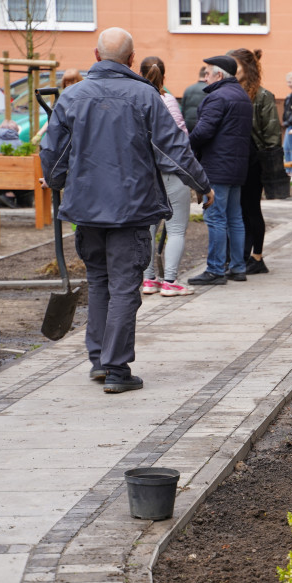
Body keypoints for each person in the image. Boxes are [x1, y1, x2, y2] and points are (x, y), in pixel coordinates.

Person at [39, 27, 212, 394]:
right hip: (129, 210)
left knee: (100, 281)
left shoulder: (72, 97)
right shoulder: (146, 97)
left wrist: (56, 182)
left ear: (97, 56)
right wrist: (202, 184)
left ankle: (100, 360)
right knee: (123, 287)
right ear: (132, 59)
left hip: (86, 210)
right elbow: (174, 149)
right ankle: (116, 368)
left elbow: (53, 155)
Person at [187, 55, 253, 286]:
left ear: (219, 75)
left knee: (215, 217)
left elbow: (204, 131)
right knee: (235, 218)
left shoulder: (217, 97)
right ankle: (238, 267)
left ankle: (215, 269)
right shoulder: (242, 96)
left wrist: (187, 143)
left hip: (217, 167)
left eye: (207, 73)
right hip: (236, 167)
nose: (204, 78)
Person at [138, 56, 194, 297]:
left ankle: (148, 280)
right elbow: (181, 138)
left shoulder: (135, 99)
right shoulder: (168, 100)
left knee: (149, 227)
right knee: (176, 228)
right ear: (165, 75)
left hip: (145, 172)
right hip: (172, 171)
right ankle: (170, 281)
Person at [228, 47, 282, 274]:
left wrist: (269, 166)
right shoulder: (230, 91)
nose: (231, 70)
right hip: (235, 159)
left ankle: (257, 258)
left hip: (255, 161)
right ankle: (240, 256)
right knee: (238, 210)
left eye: (235, 65)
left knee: (251, 208)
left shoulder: (262, 96)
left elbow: (272, 134)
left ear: (247, 68)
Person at [181, 66, 208, 132]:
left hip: (188, 124)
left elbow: (183, 109)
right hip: (202, 125)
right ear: (206, 75)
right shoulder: (209, 90)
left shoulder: (188, 89)